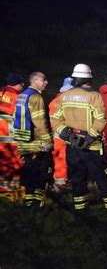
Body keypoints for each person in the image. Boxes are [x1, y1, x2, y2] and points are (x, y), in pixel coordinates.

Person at [51, 64, 107, 211]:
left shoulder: (64, 96)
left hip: (72, 145)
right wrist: (89, 138)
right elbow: (101, 120)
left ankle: (80, 208)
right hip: (92, 147)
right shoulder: (94, 96)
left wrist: (68, 135)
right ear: (89, 78)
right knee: (101, 176)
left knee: (77, 177)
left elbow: (55, 119)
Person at [14, 72, 53, 208]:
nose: (46, 82)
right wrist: (48, 140)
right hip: (37, 142)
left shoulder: (22, 95)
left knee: (28, 171)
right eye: (44, 80)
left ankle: (29, 200)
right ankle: (38, 202)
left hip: (23, 141)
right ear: (34, 81)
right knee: (42, 170)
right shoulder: (36, 97)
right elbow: (39, 121)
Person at [0, 73, 25, 201]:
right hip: (10, 133)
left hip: (1, 134)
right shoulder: (18, 97)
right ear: (17, 84)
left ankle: (2, 185)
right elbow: (22, 116)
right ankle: (14, 186)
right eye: (22, 83)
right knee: (15, 160)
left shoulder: (1, 91)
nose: (23, 85)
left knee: (2, 160)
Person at [48, 77, 74, 190]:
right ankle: (62, 183)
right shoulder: (71, 101)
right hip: (70, 134)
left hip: (57, 135)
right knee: (68, 159)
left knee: (59, 159)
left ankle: (60, 181)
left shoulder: (53, 102)